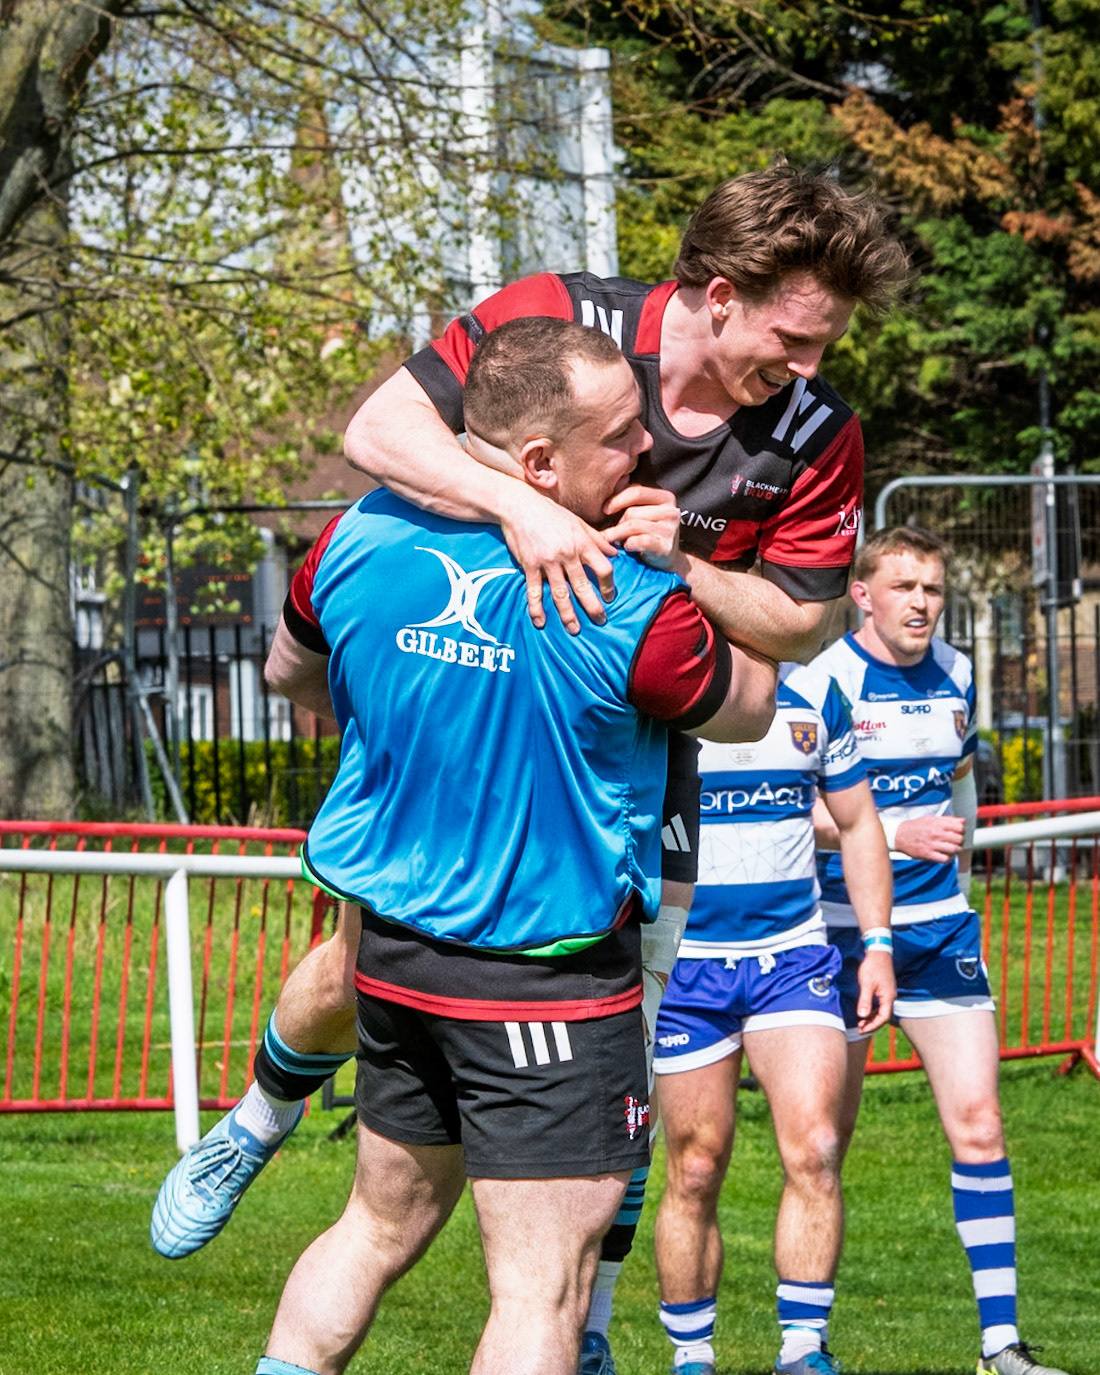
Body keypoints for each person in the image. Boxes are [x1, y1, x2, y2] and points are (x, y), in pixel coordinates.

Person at [153, 160, 906, 1375]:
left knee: (632, 1039)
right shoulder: (560, 323)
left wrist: (686, 571)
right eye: (793, 337)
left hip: (634, 752)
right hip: (481, 713)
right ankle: (257, 1121)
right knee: (353, 969)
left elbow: (803, 625)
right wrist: (523, 510)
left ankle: (595, 1329)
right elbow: (376, 430)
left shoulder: (813, 438)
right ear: (719, 295)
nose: (806, 368)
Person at [225, 318, 774, 1375]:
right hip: (544, 982)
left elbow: (287, 677)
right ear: (537, 464)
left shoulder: (356, 539)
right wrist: (691, 559)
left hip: (392, 959)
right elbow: (749, 704)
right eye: (619, 437)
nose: (647, 453)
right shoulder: (627, 602)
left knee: (371, 1232)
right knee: (542, 1293)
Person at [811, 525, 1071, 1375]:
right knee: (822, 1146)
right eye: (905, 586)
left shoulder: (959, 670)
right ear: (863, 593)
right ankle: (803, 1345)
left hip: (944, 929)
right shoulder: (825, 681)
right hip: (842, 933)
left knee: (983, 1124)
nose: (922, 601)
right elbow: (789, 808)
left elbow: (958, 774)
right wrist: (892, 832)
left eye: (932, 586)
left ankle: (1002, 1343)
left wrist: (949, 837)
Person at [652, 661, 895, 1375]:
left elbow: (856, 821)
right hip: (688, 964)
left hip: (792, 958)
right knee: (695, 1165)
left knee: (816, 1147)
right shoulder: (671, 667)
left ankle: (802, 1349)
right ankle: (692, 1356)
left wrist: (878, 944)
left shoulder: (818, 690)